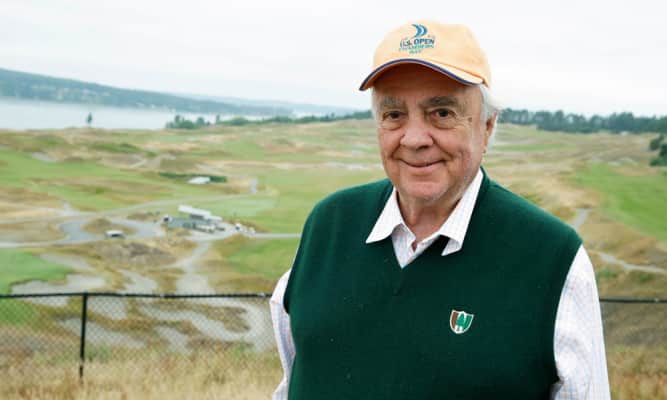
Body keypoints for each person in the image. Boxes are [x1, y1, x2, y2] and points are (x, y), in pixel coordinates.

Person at [270, 20, 610, 399]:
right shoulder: (328, 225)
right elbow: (294, 380)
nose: (414, 139)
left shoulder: (552, 259)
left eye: (442, 113)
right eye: (394, 114)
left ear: (487, 126)